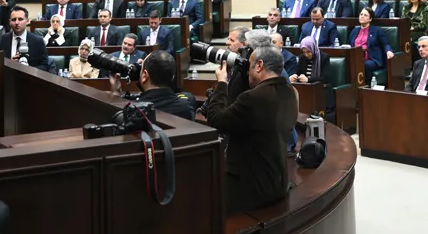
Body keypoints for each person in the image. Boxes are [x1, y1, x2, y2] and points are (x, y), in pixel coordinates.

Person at [201, 45, 298, 213]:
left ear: (259, 65)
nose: (247, 73)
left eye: (250, 66)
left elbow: (217, 120)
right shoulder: (291, 92)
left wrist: (222, 83)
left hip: (249, 189)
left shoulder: (253, 98)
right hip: (277, 182)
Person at [110, 49, 196, 120]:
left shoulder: (133, 112)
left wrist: (116, 94)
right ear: (173, 77)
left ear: (144, 75)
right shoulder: (186, 107)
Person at [0, 6, 50, 71]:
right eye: (14, 19)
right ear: (9, 22)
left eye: (20, 19)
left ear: (28, 21)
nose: (17, 23)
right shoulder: (2, 40)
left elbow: (45, 67)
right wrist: (9, 64)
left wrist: (28, 69)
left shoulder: (38, 41)